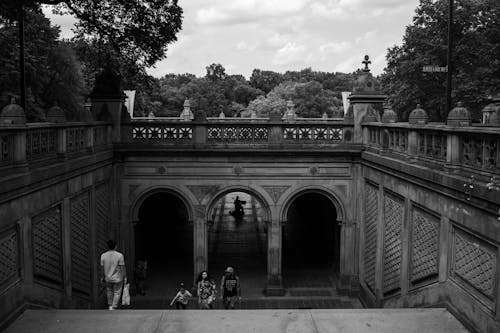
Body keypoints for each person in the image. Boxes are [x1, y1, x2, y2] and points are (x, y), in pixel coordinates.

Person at [100, 239, 127, 310]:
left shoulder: (103, 255)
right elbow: (122, 267)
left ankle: (110, 306)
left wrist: (102, 277)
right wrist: (125, 277)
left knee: (109, 291)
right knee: (117, 293)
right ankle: (114, 306)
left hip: (108, 278)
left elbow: (102, 268)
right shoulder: (120, 255)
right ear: (115, 246)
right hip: (118, 278)